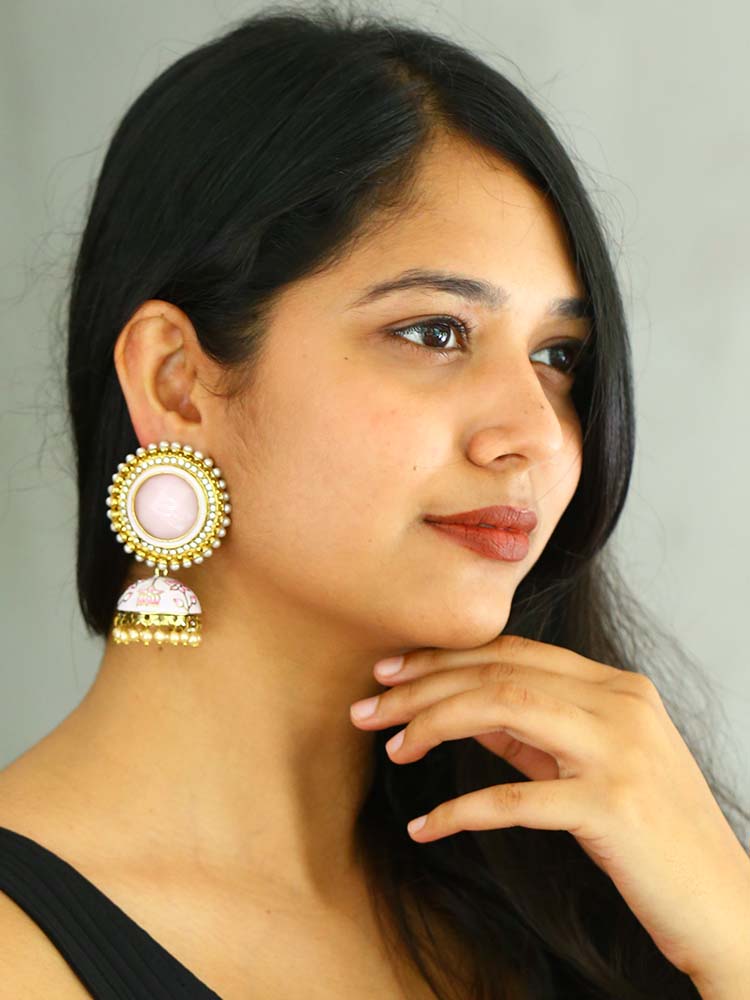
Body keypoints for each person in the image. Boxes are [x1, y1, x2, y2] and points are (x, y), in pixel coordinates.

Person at [1, 4, 748, 998]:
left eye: (559, 355)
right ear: (178, 383)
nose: (534, 431)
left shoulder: (590, 893)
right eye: (435, 332)